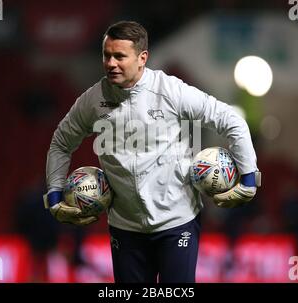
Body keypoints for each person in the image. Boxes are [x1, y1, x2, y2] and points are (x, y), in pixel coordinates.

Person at [44, 21, 260, 283]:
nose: (111, 63)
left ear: (142, 58)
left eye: (120, 56)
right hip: (126, 229)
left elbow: (231, 120)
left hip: (177, 222)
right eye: (107, 55)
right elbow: (60, 143)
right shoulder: (92, 101)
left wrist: (249, 178)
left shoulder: (170, 91)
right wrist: (54, 195)